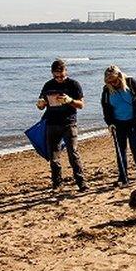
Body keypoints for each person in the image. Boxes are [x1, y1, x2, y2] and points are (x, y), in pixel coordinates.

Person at [36, 59, 88, 191]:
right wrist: (41, 104)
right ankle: (57, 183)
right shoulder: (48, 85)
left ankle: (81, 182)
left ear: (66, 71)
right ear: (52, 73)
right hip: (52, 123)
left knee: (73, 154)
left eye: (61, 75)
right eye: (56, 76)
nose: (59, 78)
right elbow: (41, 105)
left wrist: (70, 100)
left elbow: (81, 105)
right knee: (53, 156)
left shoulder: (74, 84)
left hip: (69, 122)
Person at [101, 65, 136, 185]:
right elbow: (106, 108)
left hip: (133, 121)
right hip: (118, 124)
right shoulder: (106, 90)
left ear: (119, 76)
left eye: (114, 80)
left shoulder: (131, 83)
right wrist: (110, 123)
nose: (112, 83)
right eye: (109, 82)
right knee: (120, 150)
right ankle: (123, 176)